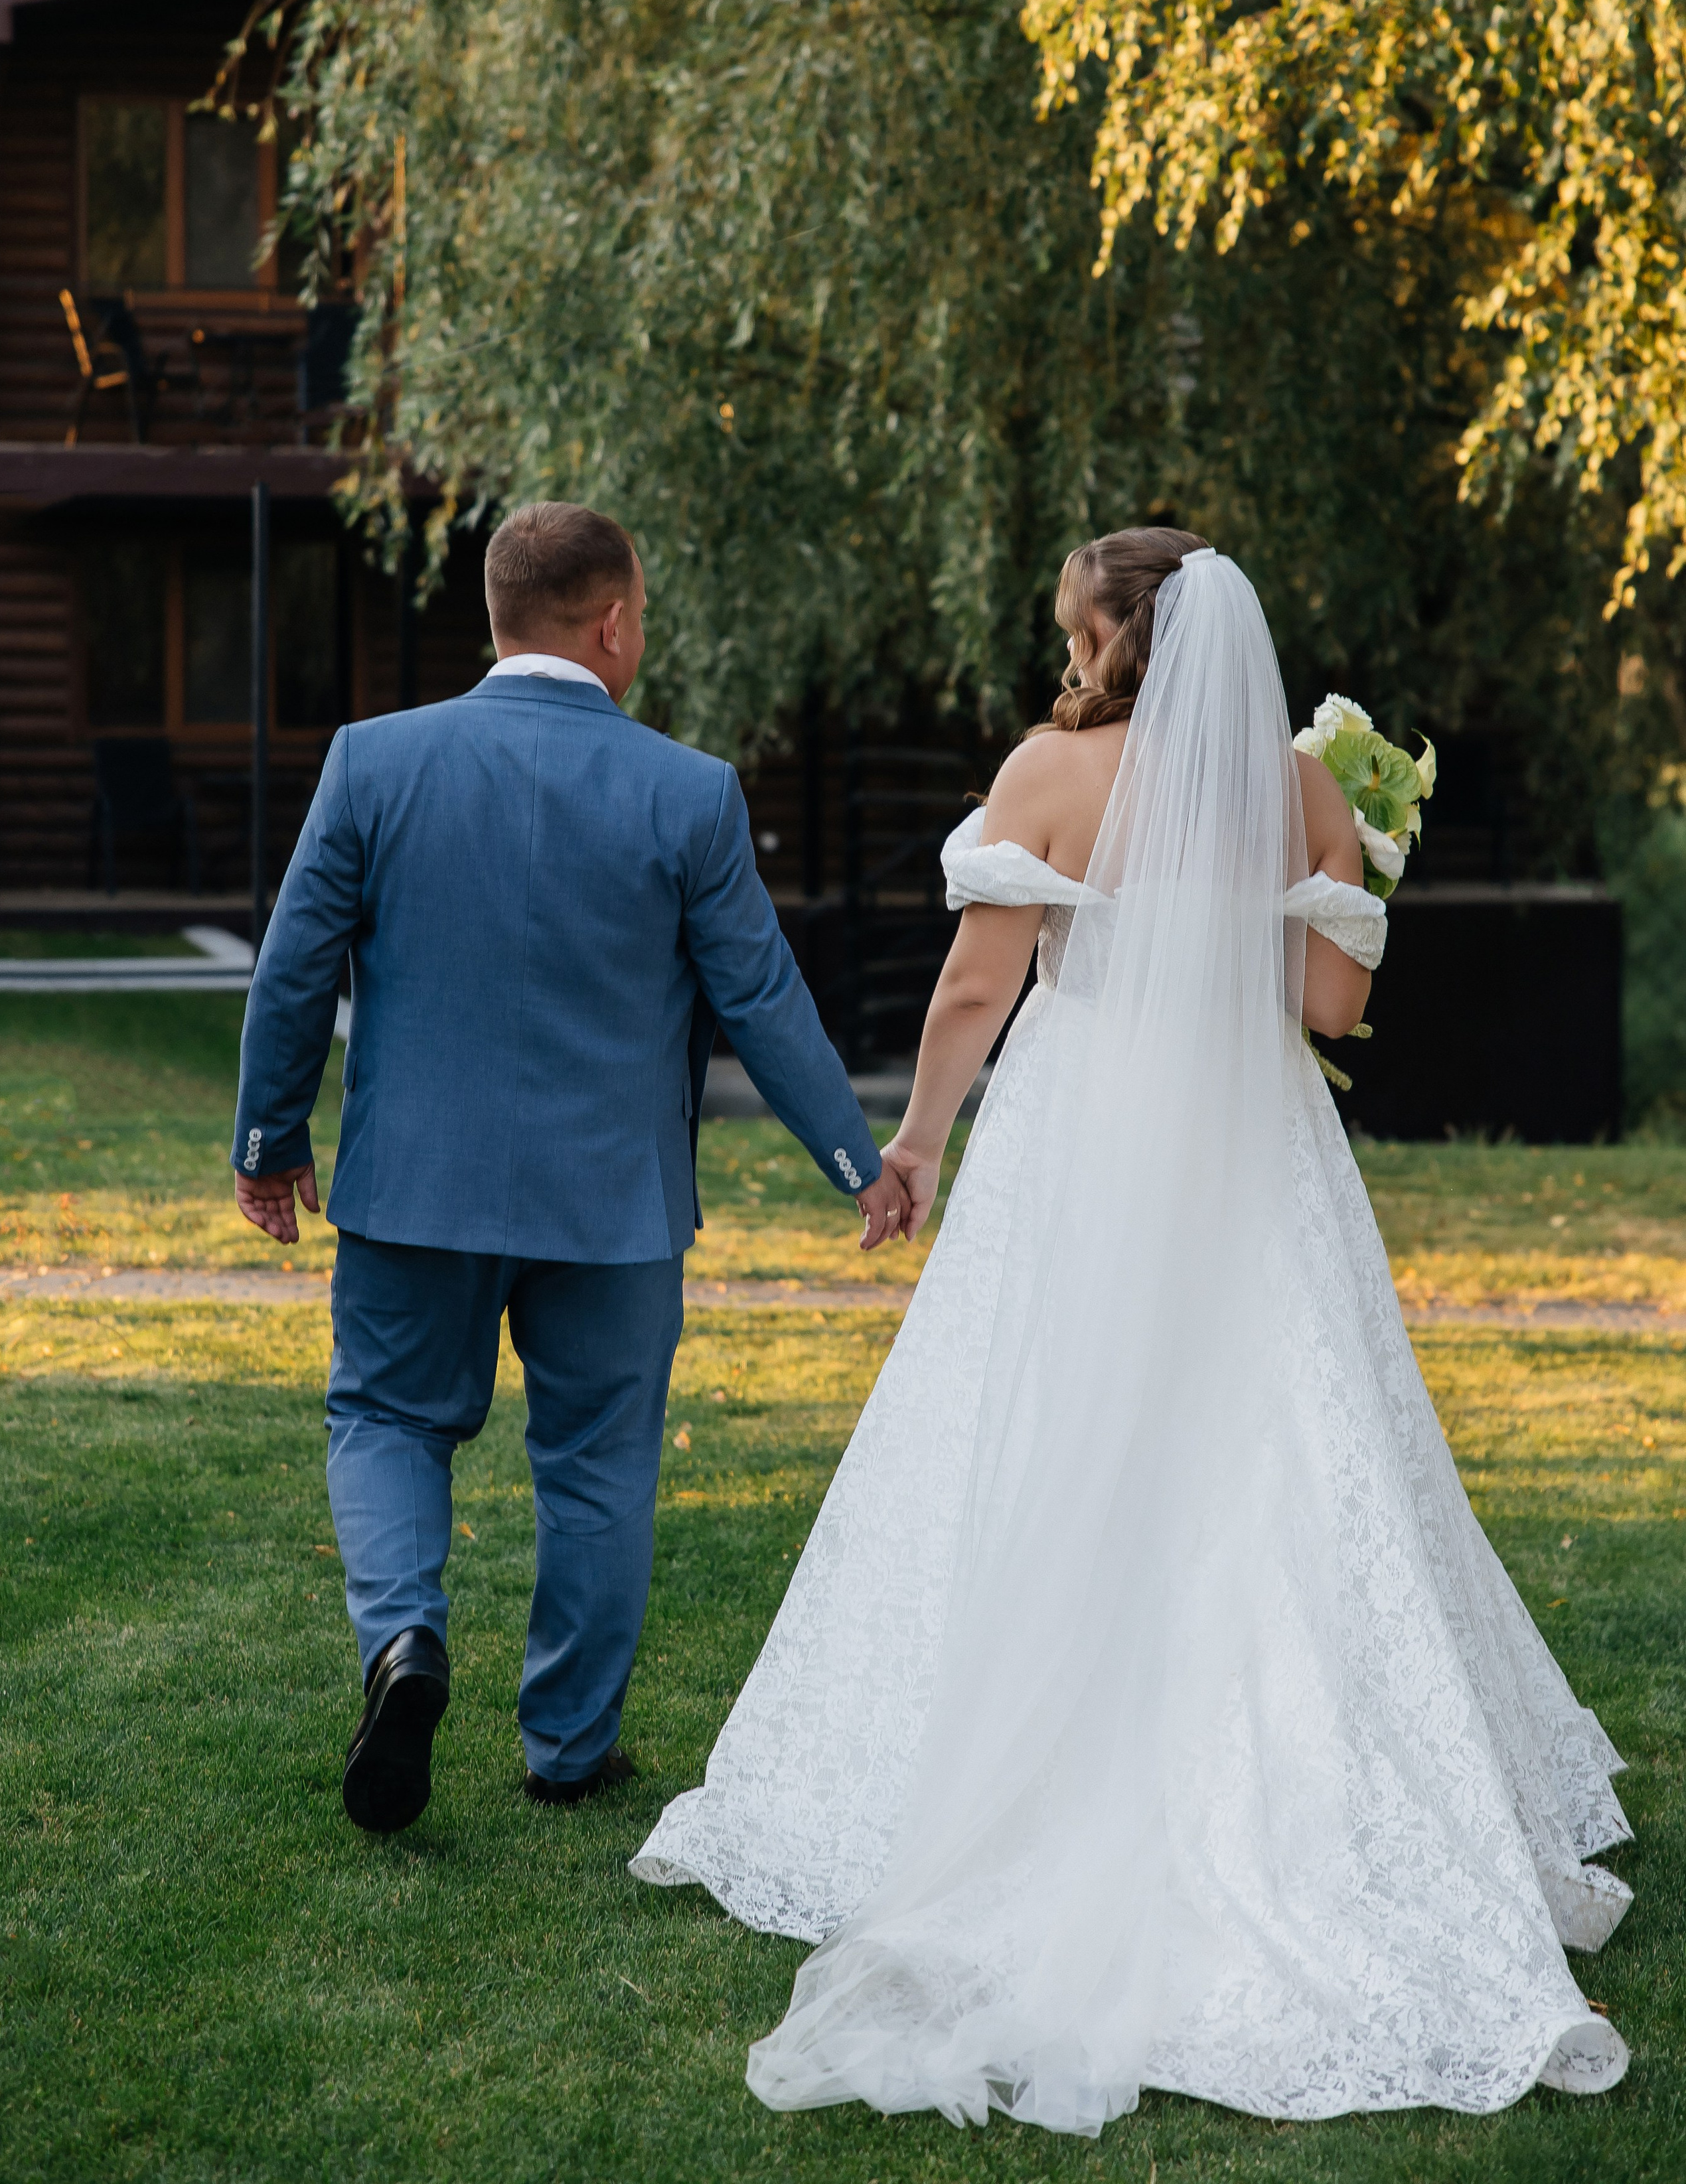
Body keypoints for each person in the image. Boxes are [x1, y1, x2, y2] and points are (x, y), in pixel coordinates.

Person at [633, 530, 1632, 2130]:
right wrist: (1359, 855)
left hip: (1079, 1130)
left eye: (1074, 628)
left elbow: (973, 992)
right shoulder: (1301, 797)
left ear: (1115, 642)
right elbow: (1327, 1015)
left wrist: (917, 1145)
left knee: (1037, 1422)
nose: (1066, 651)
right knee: (1281, 1437)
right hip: (1249, 1144)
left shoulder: (1044, 773)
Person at [231, 500, 909, 1834]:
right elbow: (761, 999)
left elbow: (295, 964)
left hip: (413, 1188)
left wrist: (271, 1141)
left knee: (386, 1419)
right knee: (597, 1467)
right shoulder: (689, 791)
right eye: (639, 615)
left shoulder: (371, 764)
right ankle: (566, 1748)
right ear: (610, 625)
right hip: (612, 1205)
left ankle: (405, 1645)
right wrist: (855, 1162)